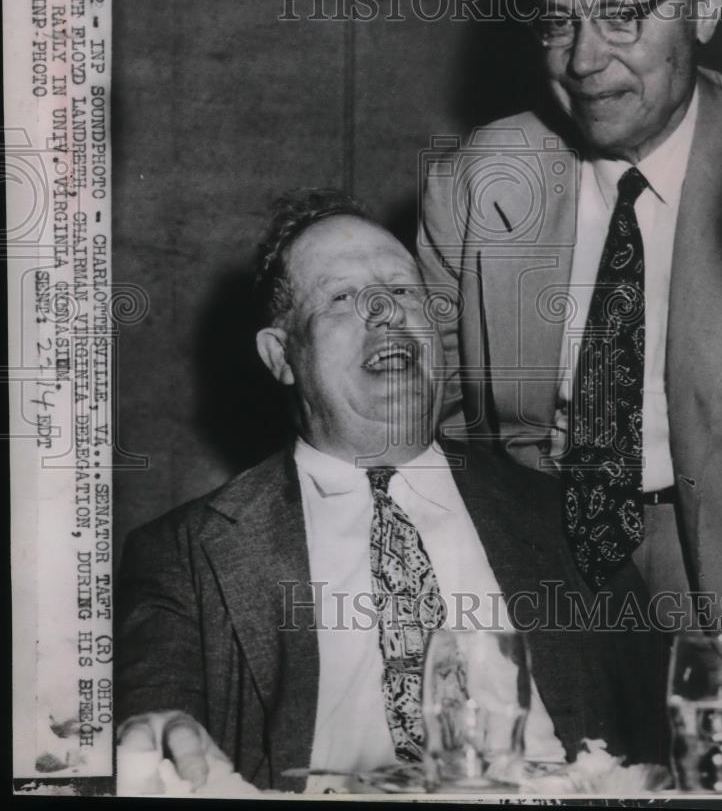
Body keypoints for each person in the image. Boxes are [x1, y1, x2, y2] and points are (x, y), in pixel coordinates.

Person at [418, 0, 722, 789]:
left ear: (708, 6)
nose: (581, 59)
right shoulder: (475, 185)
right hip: (537, 595)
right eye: (557, 19)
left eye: (621, 16)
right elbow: (430, 433)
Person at [116, 189, 662, 793]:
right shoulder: (183, 556)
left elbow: (659, 735)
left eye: (404, 290)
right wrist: (150, 736)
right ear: (281, 356)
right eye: (342, 297)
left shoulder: (566, 517)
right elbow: (156, 717)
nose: (384, 311)